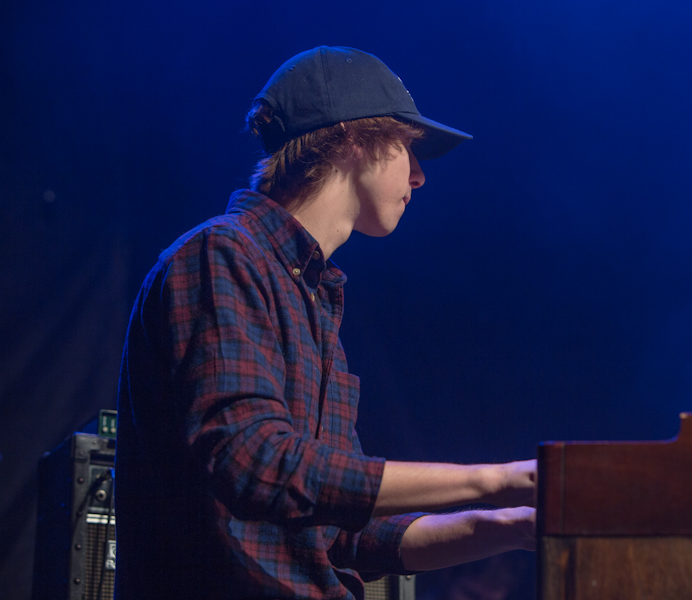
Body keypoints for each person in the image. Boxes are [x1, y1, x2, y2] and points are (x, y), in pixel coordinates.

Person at [115, 46, 535, 600]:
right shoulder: (221, 254)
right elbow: (253, 459)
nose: (419, 176)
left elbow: (346, 534)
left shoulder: (313, 296)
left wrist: (511, 525)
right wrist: (494, 479)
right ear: (355, 139)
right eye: (408, 147)